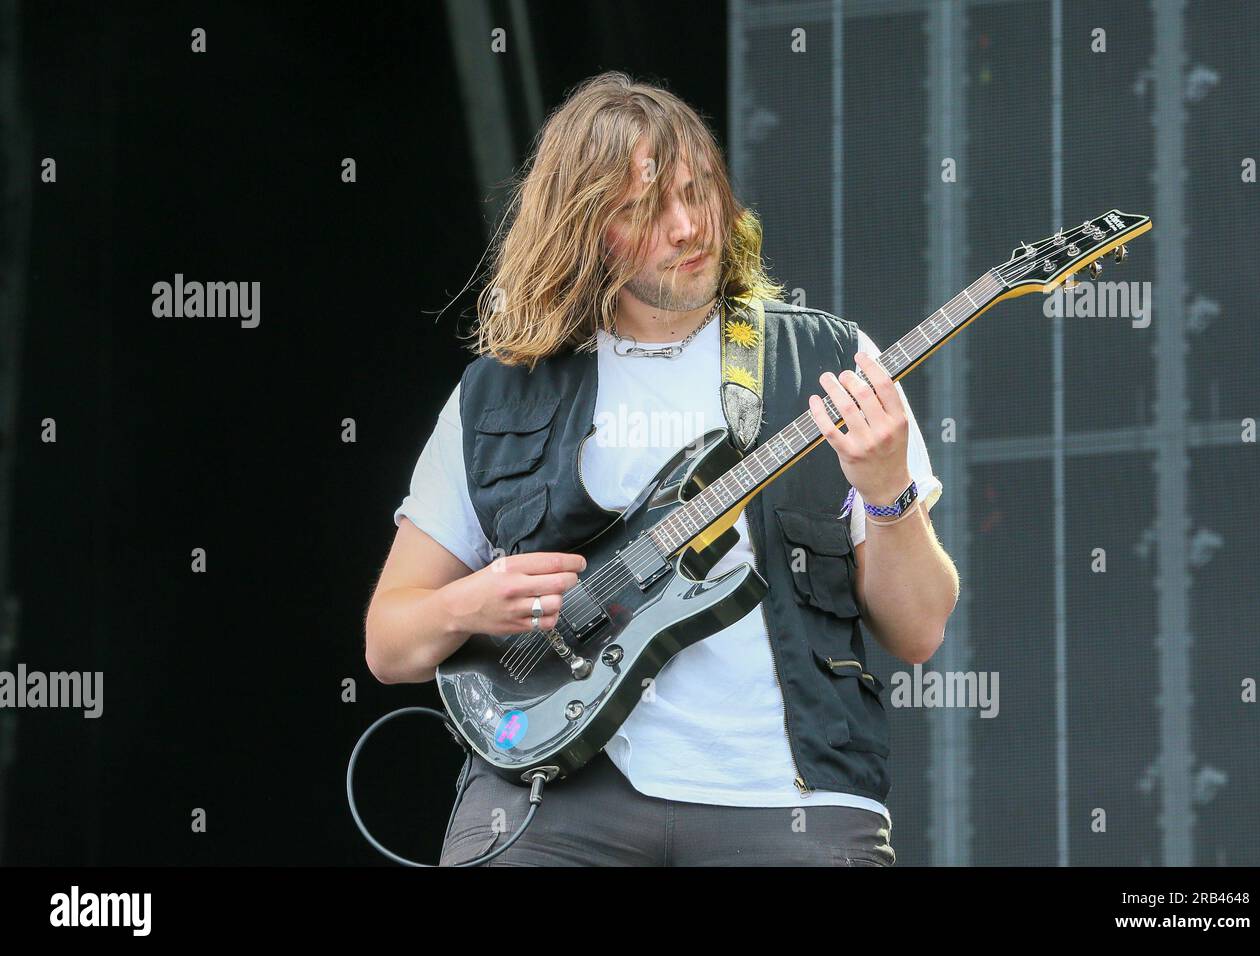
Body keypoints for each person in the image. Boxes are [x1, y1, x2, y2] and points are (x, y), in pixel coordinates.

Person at [365, 71, 959, 866]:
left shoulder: (826, 360)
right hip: (553, 795)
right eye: (645, 210)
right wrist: (471, 603)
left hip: (789, 798)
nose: (687, 226)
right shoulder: (500, 394)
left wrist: (888, 493)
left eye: (696, 191)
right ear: (584, 228)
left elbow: (918, 631)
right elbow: (388, 642)